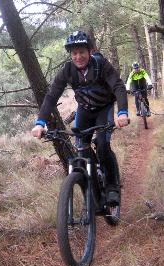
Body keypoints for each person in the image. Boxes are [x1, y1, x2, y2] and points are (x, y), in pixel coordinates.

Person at [31, 31, 129, 204]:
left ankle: (112, 186)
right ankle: (95, 190)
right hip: (84, 110)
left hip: (103, 109)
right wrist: (40, 123)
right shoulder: (67, 70)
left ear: (89, 51)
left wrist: (122, 112)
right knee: (82, 149)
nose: (78, 57)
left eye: (81, 52)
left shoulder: (101, 64)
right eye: (74, 53)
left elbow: (118, 86)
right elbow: (51, 96)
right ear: (70, 55)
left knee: (103, 146)